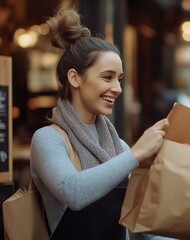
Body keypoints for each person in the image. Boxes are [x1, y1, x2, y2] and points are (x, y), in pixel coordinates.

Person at [30, 6, 169, 240]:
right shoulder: (48, 139)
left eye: (120, 79)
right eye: (107, 77)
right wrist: (136, 155)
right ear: (74, 78)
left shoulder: (119, 147)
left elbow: (143, 226)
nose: (117, 89)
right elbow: (73, 191)